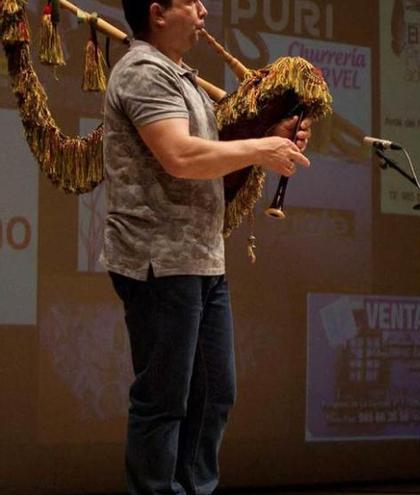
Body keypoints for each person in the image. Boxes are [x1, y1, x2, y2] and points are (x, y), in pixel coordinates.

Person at [101, 1, 312, 493]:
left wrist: (272, 134)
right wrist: (263, 149)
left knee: (215, 394)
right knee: (163, 401)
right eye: (191, 2)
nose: (203, 10)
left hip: (200, 257)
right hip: (159, 259)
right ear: (157, 12)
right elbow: (180, 155)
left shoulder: (182, 76)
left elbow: (213, 155)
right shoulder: (142, 72)